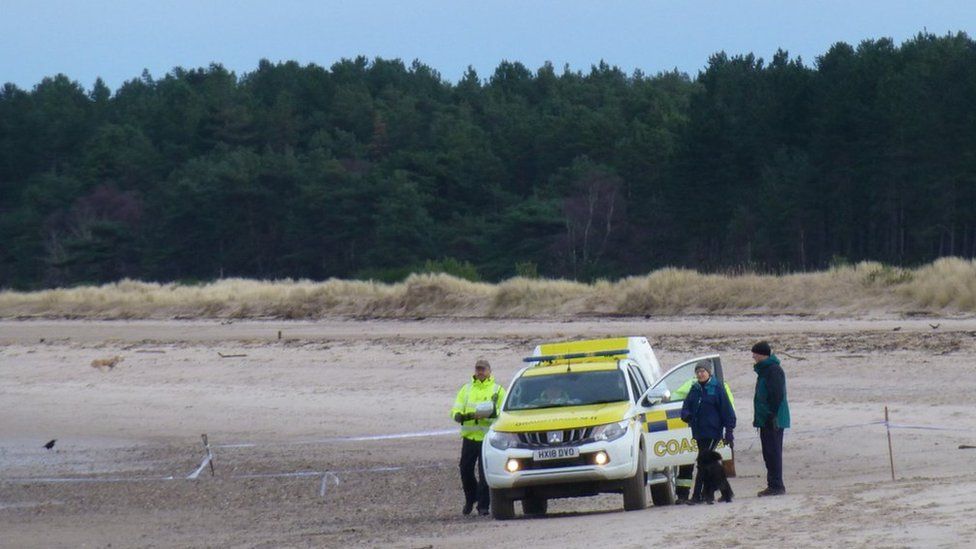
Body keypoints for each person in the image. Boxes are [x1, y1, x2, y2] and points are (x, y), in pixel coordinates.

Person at [450, 358, 506, 516]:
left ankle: (483, 506)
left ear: (489, 371)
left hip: (487, 439)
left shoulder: (498, 390)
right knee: (465, 470)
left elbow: (503, 413)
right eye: (478, 369)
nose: (480, 372)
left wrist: (491, 415)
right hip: (469, 438)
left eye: (483, 369)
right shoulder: (466, 389)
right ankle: (471, 498)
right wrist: (459, 416)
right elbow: (455, 409)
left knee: (484, 473)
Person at [672, 366, 735, 503]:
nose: (700, 374)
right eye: (698, 372)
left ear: (709, 372)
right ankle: (722, 493)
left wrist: (729, 432)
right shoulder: (694, 389)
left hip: (713, 431)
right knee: (711, 465)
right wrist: (687, 416)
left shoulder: (717, 388)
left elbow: (727, 410)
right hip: (699, 432)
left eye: (703, 371)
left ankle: (697, 496)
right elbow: (686, 407)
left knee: (703, 463)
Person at [751, 341, 790, 497]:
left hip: (773, 420)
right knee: (768, 453)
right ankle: (773, 484)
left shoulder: (773, 370)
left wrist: (771, 415)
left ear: (762, 354)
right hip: (766, 419)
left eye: (755, 354)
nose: (753, 357)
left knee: (773, 452)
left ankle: (777, 485)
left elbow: (777, 395)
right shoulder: (764, 370)